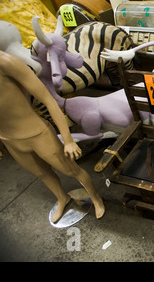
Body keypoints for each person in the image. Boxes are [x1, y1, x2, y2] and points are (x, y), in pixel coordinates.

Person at [0, 51, 105, 223]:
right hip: (9, 139)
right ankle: (62, 198)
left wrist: (68, 140)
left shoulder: (6, 62)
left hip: (37, 133)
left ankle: (96, 197)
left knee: (71, 170)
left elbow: (48, 100)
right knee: (42, 173)